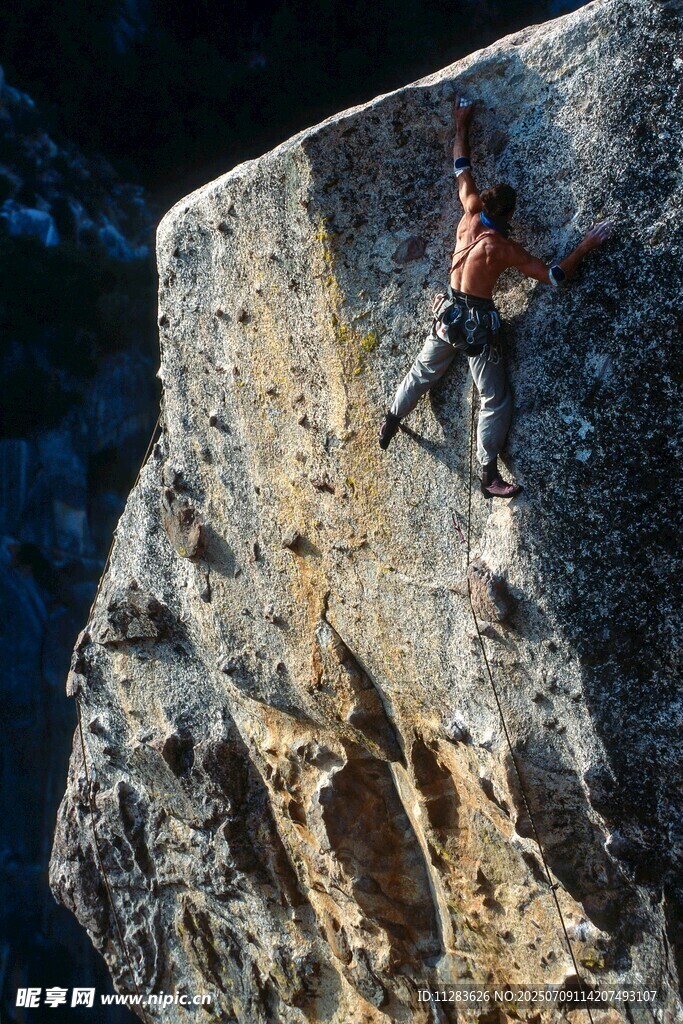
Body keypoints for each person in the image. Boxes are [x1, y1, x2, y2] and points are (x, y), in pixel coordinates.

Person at [378, 95, 612, 499]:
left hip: (447, 313)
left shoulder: (468, 211)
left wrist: (461, 124)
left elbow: (461, 165)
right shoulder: (501, 249)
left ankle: (392, 418)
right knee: (495, 400)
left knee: (422, 371)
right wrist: (586, 245)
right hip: (476, 327)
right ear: (506, 216)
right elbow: (554, 276)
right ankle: (488, 476)